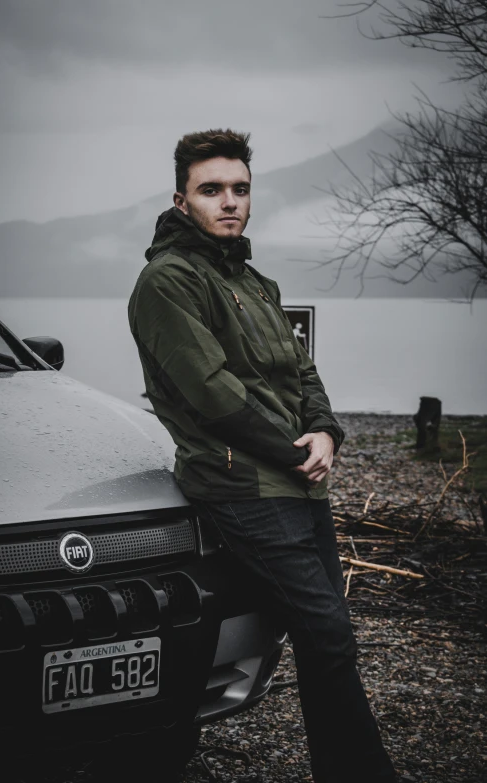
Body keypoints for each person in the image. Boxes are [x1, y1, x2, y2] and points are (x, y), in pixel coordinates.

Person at [128, 128, 397, 782]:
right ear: (180, 198)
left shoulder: (256, 283)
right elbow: (213, 394)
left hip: (298, 487)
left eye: (240, 188)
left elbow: (303, 374)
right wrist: (293, 451)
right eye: (211, 189)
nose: (229, 201)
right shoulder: (166, 283)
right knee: (327, 632)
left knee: (321, 637)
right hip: (241, 486)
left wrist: (327, 432)